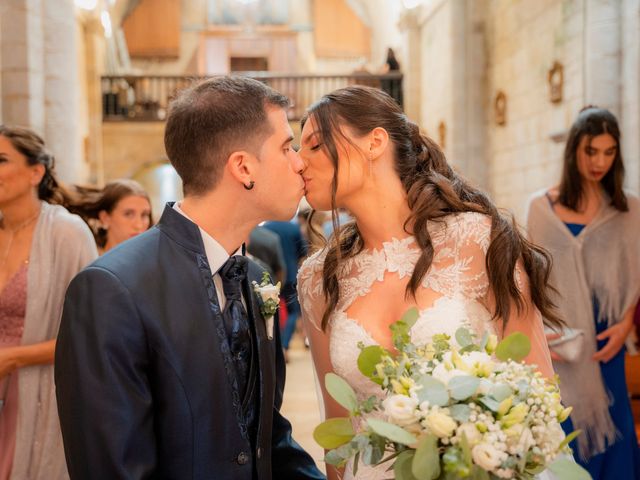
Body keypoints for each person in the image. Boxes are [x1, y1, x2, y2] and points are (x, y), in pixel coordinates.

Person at [55, 76, 325, 480]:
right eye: (287, 147)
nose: (300, 161)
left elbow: (265, 438)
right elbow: (111, 467)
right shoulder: (111, 289)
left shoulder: (255, 277)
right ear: (243, 167)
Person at [296, 86, 559, 480]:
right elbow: (338, 434)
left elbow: (539, 394)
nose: (299, 163)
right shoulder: (319, 278)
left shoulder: (478, 241)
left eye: (314, 146)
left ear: (374, 143)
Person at [526, 106, 640, 479]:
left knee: (615, 430)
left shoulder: (629, 208)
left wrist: (625, 325)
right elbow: (532, 282)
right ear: (575, 149)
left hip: (609, 340)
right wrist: (544, 338)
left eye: (609, 152)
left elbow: (635, 276)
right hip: (563, 341)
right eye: (592, 151)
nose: (600, 162)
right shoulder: (542, 208)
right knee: (567, 433)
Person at [0, 126, 97, 480]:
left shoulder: (67, 234)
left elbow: (90, 335)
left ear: (35, 172)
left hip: (42, 394)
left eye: (1, 160)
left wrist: (12, 357)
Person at [263, 219, 307, 352]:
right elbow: (303, 252)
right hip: (291, 274)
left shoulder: (266, 227)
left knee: (272, 311)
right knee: (293, 311)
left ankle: (276, 343)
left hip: (271, 275)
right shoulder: (294, 228)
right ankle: (285, 343)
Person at [74, 179, 153, 253]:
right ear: (105, 218)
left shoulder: (155, 263)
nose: (139, 225)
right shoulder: (90, 262)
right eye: (128, 214)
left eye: (144, 215)